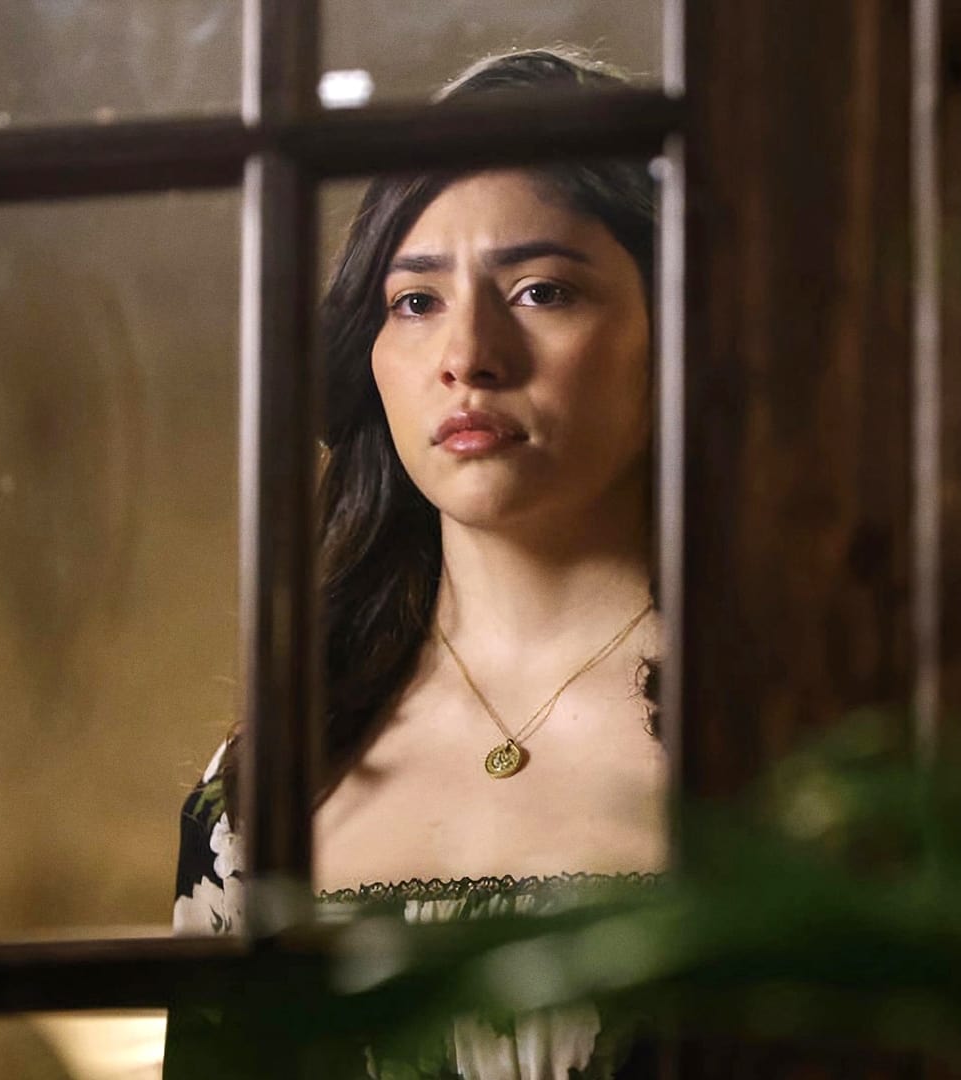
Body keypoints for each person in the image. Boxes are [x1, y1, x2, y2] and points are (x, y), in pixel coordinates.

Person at [167, 49, 665, 1079]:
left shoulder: (803, 740)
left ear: (676, 327)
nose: (468, 354)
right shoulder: (266, 784)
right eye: (415, 302)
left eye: (541, 290)